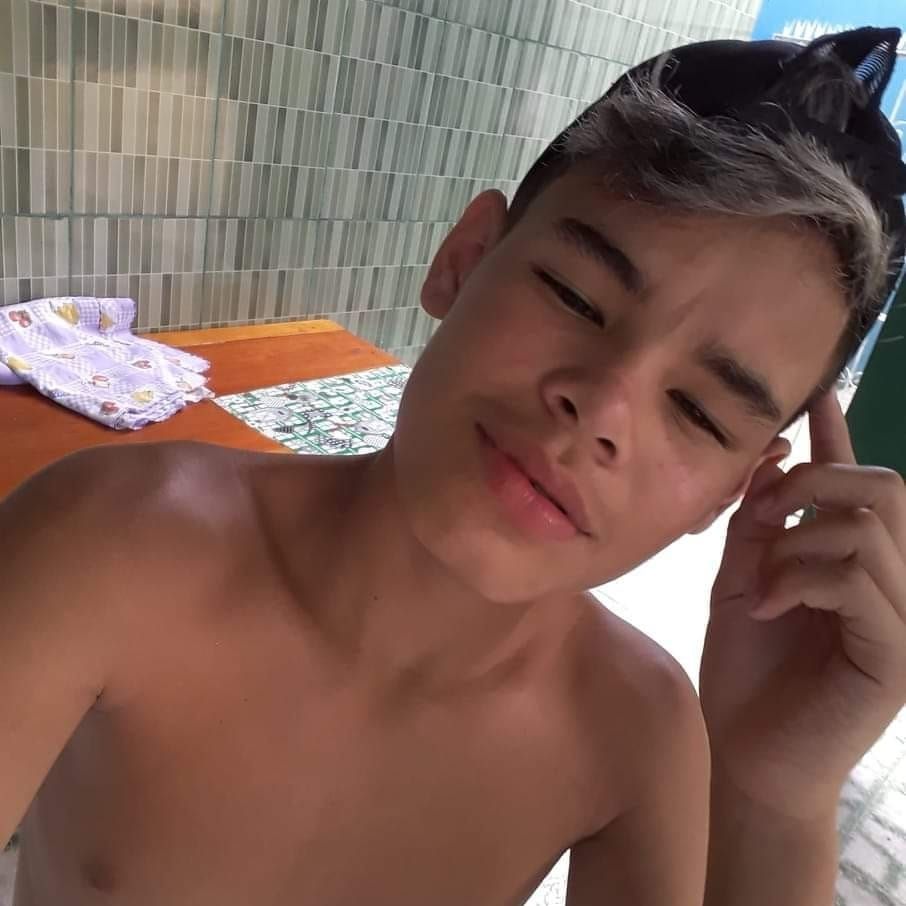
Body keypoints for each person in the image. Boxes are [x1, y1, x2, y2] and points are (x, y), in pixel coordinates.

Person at [3, 24, 906, 906]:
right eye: (575, 296)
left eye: (698, 412)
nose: (602, 408)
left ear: (731, 491)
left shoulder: (636, 743)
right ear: (465, 261)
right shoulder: (114, 544)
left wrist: (775, 804)